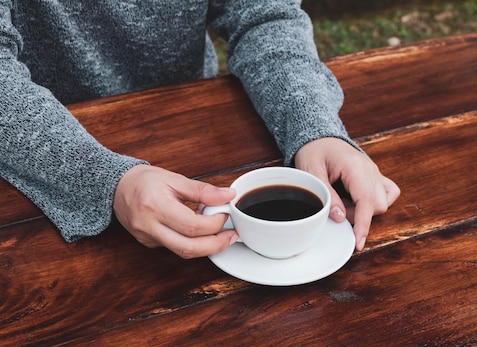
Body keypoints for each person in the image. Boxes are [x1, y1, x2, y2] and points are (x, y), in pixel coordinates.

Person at [0, 0, 400, 259]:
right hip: (42, 174)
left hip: (203, 139)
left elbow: (265, 16)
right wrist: (108, 181)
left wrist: (316, 128)